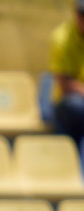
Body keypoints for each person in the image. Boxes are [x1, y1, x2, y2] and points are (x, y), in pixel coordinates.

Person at [50, 1, 84, 143]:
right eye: (82, 14)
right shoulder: (62, 37)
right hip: (70, 102)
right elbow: (65, 85)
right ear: (76, 14)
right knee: (77, 107)